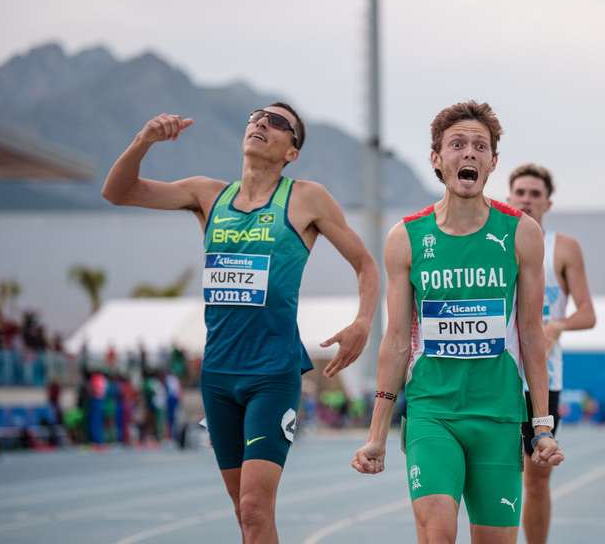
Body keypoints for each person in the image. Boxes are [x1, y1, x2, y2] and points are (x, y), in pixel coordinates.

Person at [102, 104, 379, 543]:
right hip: (218, 375)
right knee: (246, 513)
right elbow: (118, 192)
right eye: (255, 116)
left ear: (292, 152)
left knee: (253, 507)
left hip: (272, 373)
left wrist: (362, 322)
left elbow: (366, 264)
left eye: (277, 122)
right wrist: (144, 141)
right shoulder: (207, 194)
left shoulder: (306, 197)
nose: (260, 124)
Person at [351, 101, 564, 544]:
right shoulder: (406, 238)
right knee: (437, 531)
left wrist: (540, 426)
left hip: (499, 416)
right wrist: (377, 435)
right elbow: (394, 340)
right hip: (433, 414)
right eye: (457, 145)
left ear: (492, 163)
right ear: (437, 158)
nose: (469, 153)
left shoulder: (522, 234)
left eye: (479, 146)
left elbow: (530, 335)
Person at [506, 163, 596, 544]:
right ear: (508, 198)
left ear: (548, 202)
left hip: (543, 378)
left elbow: (587, 313)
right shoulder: (494, 239)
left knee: (537, 476)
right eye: (520, 193)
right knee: (492, 473)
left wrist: (557, 326)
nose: (526, 200)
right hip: (498, 373)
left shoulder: (563, 248)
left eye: (535, 194)